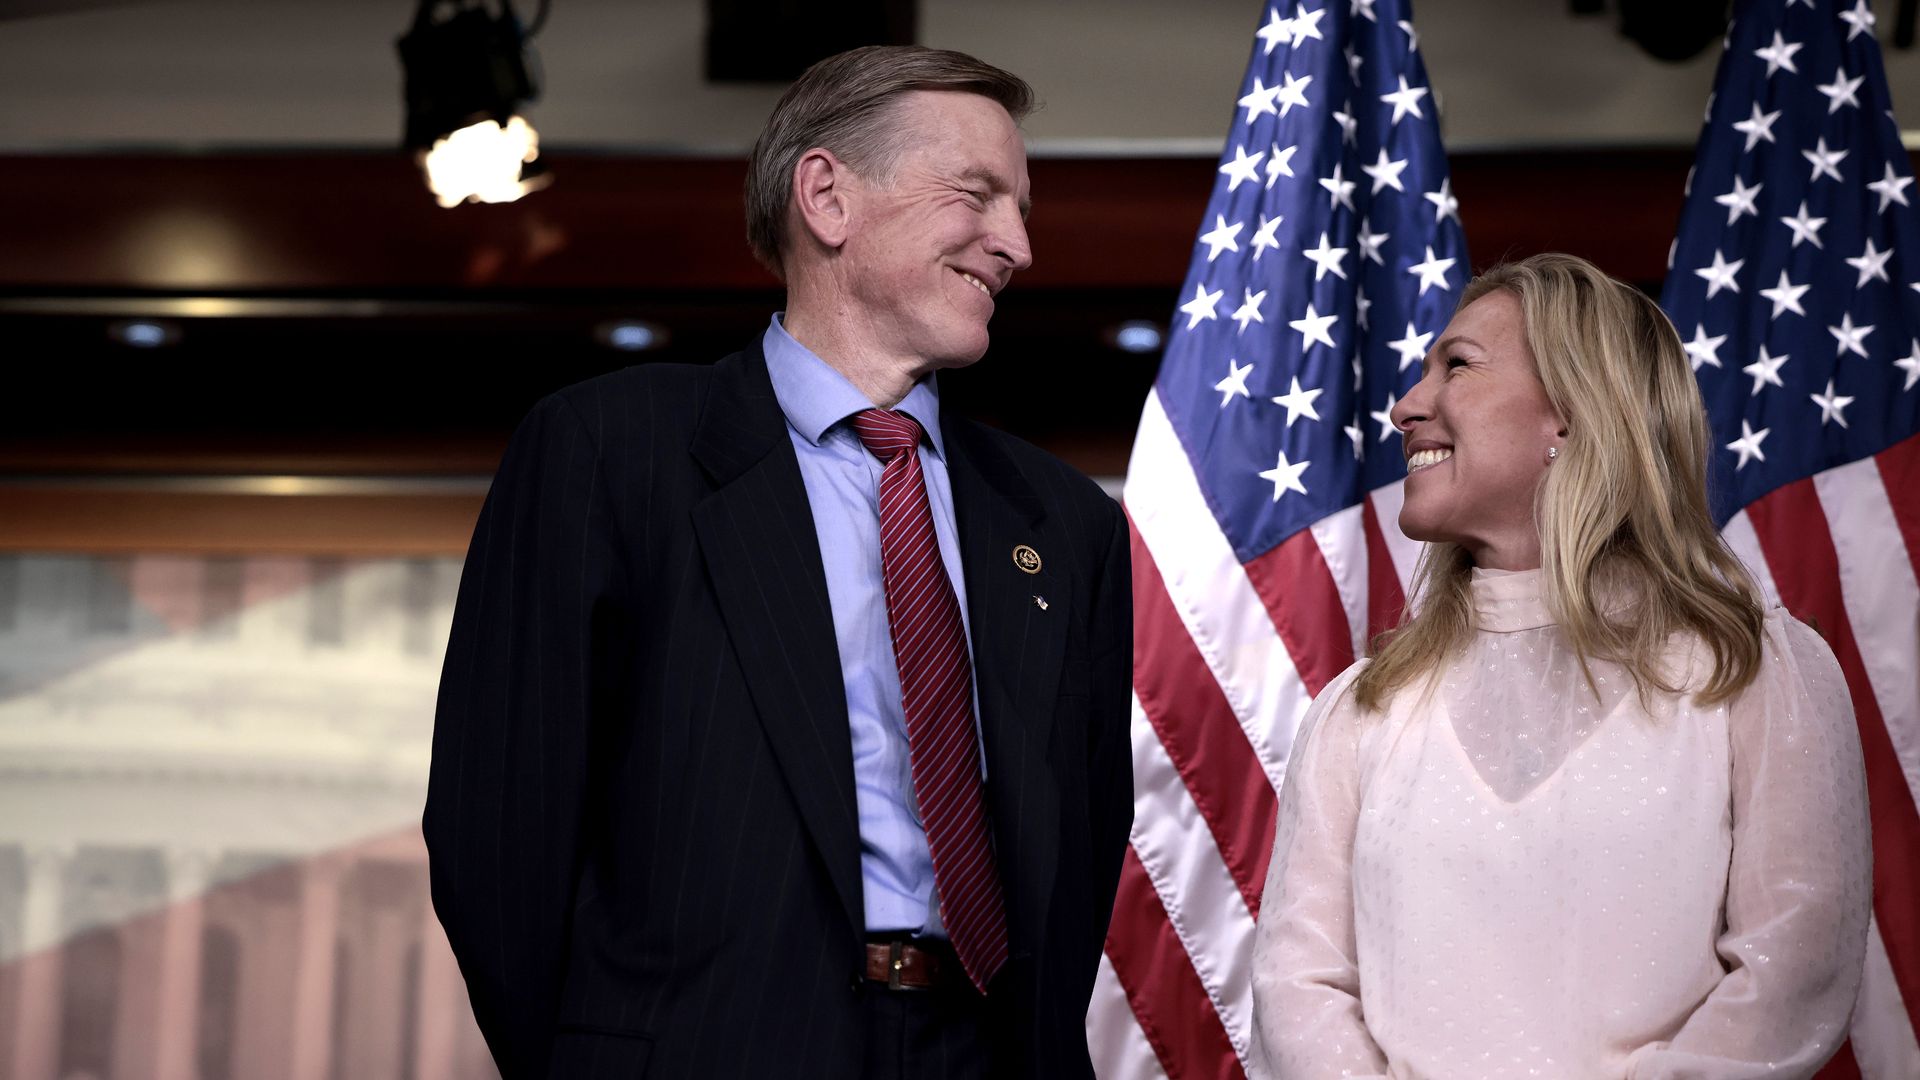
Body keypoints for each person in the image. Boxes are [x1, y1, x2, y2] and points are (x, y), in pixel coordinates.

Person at [424, 46, 1133, 1080]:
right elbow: (499, 830)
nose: (1017, 245)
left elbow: (1084, 850)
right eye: (976, 195)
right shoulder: (609, 453)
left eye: (1021, 210)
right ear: (827, 197)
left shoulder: (1065, 523)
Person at [1249, 253, 1871, 1078]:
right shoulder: (1360, 707)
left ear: (1573, 417)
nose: (1406, 407)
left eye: (1457, 366)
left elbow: (1792, 969)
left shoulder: (1751, 671)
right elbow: (1297, 986)